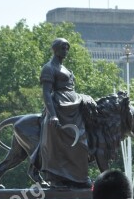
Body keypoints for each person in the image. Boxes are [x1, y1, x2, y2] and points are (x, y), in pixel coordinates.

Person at [34, 38, 96, 188]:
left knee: (81, 143)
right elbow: (47, 93)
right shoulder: (49, 68)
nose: (66, 51)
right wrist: (53, 114)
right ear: (55, 49)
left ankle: (78, 177)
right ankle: (57, 178)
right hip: (59, 109)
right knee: (61, 144)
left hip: (72, 108)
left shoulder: (65, 68)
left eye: (67, 48)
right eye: (63, 48)